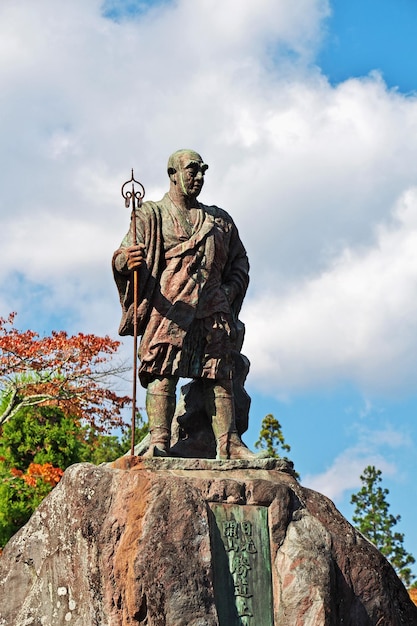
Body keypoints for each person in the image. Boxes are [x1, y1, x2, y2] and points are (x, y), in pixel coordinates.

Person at [113, 149, 256, 459]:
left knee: (218, 373)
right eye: (192, 170)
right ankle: (159, 441)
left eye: (203, 171)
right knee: (162, 370)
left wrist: (229, 291)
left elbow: (239, 261)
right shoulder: (150, 214)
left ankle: (229, 444)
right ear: (173, 174)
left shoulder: (219, 220)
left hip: (213, 308)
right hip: (170, 307)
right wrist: (128, 261)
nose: (199, 177)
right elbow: (123, 255)